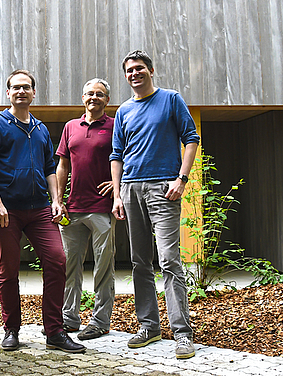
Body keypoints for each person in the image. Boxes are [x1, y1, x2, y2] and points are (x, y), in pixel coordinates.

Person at [0, 69, 86, 354]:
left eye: (26, 87)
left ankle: (54, 331)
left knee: (57, 260)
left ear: (34, 93)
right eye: (16, 87)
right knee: (8, 270)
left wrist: (56, 200)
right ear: (8, 93)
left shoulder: (39, 129)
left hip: (39, 210)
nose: (21, 91)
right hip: (6, 211)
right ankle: (11, 329)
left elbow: (50, 168)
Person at [110, 50, 200, 359]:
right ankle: (149, 327)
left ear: (151, 70)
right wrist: (117, 194)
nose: (134, 74)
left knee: (170, 260)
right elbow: (117, 154)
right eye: (129, 70)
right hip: (132, 188)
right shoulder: (123, 111)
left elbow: (191, 138)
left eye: (139, 68)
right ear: (126, 76)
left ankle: (182, 333)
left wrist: (182, 179)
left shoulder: (171, 99)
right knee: (139, 261)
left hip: (164, 188)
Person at [56, 78, 116, 341]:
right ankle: (69, 318)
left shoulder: (116, 126)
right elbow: (62, 166)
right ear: (83, 98)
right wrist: (58, 199)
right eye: (89, 93)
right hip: (73, 208)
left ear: (107, 100)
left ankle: (101, 321)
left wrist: (118, 182)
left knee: (103, 265)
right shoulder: (71, 127)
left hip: (102, 207)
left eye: (100, 94)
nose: (94, 97)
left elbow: (126, 158)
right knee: (69, 264)